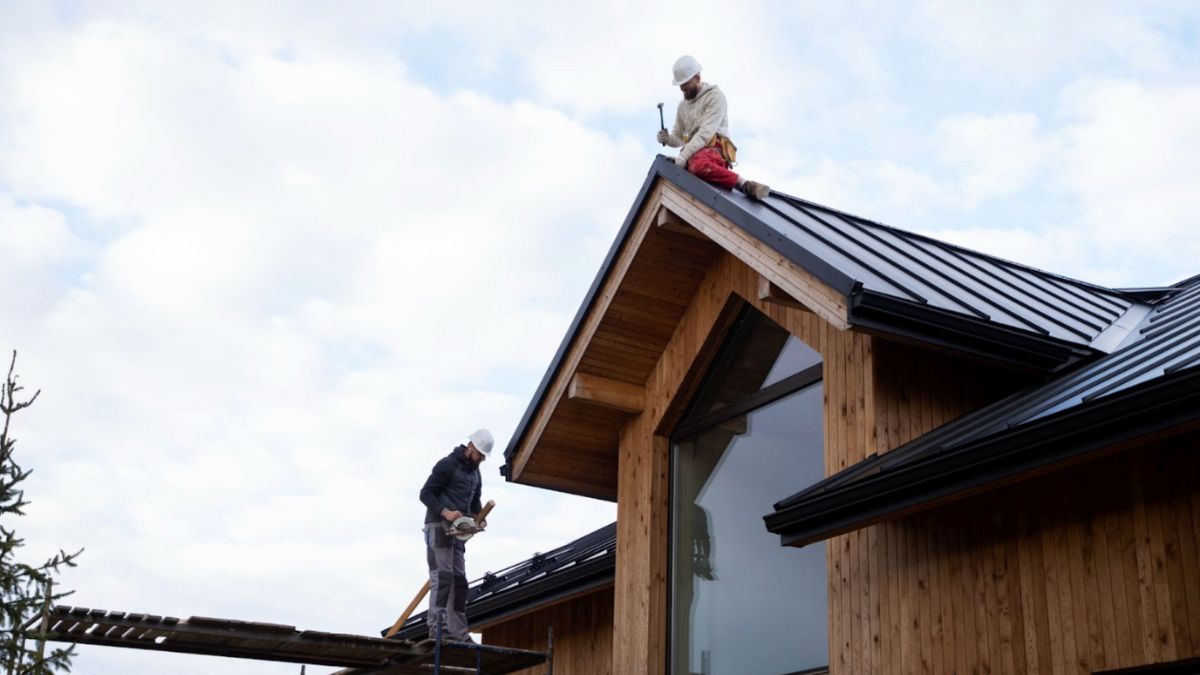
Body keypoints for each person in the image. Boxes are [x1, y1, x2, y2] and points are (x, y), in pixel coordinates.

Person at [657, 55, 771, 201]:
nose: (682, 88)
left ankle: (744, 184)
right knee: (672, 174)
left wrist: (683, 157)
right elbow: (679, 137)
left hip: (713, 149)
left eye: (685, 83)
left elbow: (705, 134)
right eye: (680, 84)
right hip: (692, 152)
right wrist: (668, 139)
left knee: (698, 166)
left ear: (697, 78)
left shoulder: (715, 97)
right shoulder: (682, 106)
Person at [419, 428, 493, 642]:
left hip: (459, 533)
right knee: (443, 577)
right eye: (480, 454)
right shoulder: (447, 465)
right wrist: (446, 512)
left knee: (459, 581)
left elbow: (475, 502)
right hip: (438, 527)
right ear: (470, 447)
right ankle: (438, 628)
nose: (481, 459)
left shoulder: (475, 474)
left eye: (483, 457)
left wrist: (479, 518)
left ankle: (458, 632)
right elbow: (425, 493)